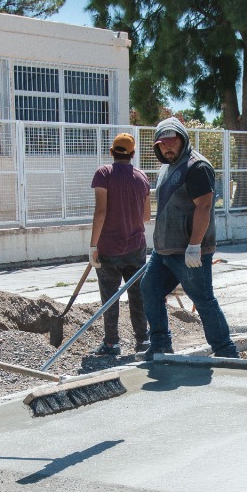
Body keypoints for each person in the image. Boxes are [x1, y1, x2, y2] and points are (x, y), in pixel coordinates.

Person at [139, 116, 239, 359]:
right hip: (164, 250)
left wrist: (194, 245)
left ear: (183, 140)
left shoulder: (197, 167)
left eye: (172, 142)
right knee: (149, 289)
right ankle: (161, 344)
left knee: (203, 299)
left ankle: (226, 351)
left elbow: (204, 206)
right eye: (162, 144)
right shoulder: (167, 167)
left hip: (189, 252)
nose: (167, 147)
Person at [89, 132, 152, 357]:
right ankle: (143, 340)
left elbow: (101, 211)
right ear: (133, 154)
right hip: (136, 247)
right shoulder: (142, 177)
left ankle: (111, 343)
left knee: (110, 297)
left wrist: (93, 246)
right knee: (138, 295)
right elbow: (146, 216)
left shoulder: (104, 173)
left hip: (109, 248)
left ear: (111, 152)